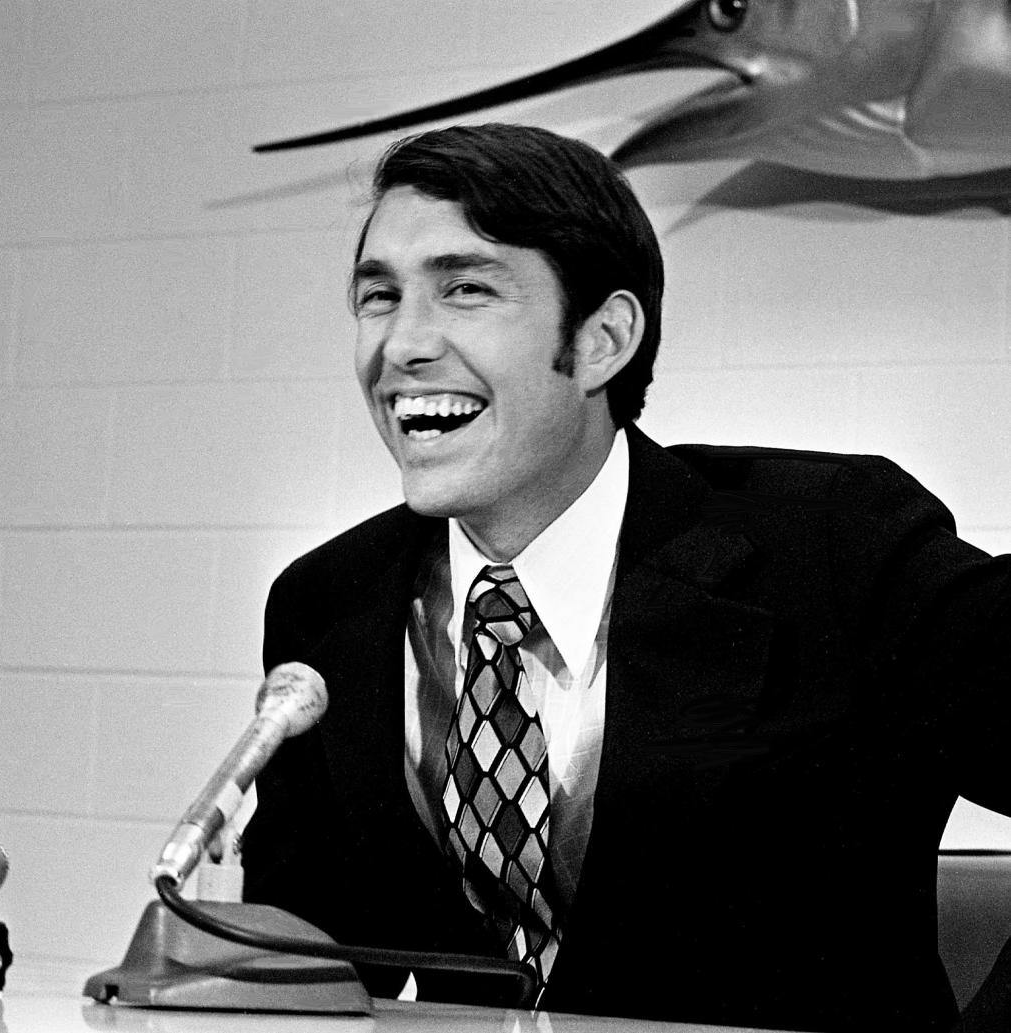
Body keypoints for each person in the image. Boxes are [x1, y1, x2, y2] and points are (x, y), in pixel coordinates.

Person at [241, 122, 1011, 1032]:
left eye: (466, 289)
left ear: (603, 339)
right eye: (378, 296)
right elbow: (300, 962)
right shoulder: (328, 603)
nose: (401, 343)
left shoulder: (839, 543)